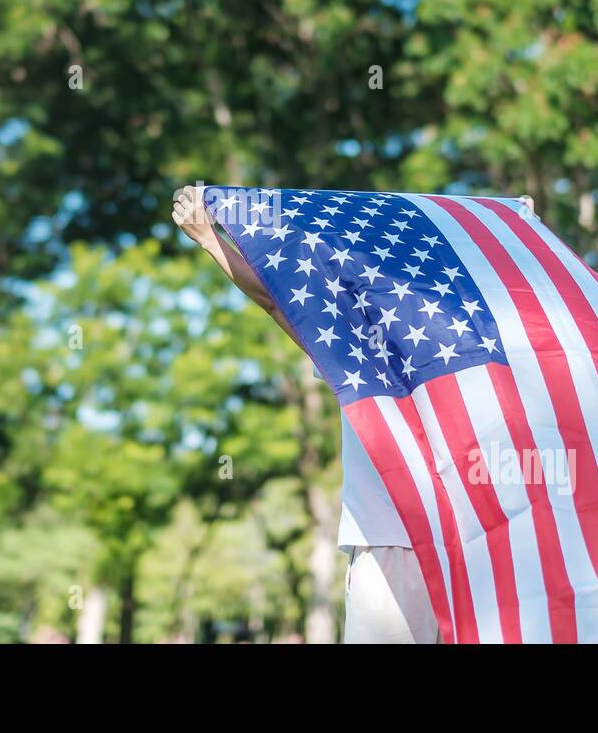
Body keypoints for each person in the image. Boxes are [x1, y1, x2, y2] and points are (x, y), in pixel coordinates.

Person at [172, 184, 439, 643]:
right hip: (475, 539)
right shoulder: (467, 340)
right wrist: (524, 238)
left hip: (390, 537)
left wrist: (211, 240)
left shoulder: (363, 347)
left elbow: (275, 301)